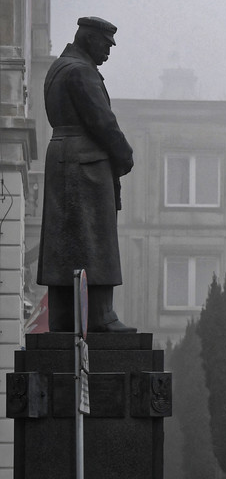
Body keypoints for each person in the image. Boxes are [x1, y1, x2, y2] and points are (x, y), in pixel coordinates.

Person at [38, 17, 135, 333]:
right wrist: (124, 155)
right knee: (95, 239)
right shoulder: (81, 72)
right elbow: (103, 123)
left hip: (63, 156)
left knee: (63, 244)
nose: (108, 52)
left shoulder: (58, 68)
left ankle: (62, 318)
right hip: (86, 161)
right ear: (89, 38)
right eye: (106, 45)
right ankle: (101, 316)